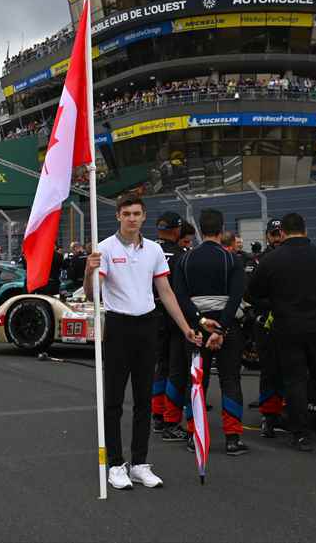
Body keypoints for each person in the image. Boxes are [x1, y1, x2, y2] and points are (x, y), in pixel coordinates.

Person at [84, 193, 202, 491]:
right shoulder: (105, 249)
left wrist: (186, 327)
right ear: (119, 217)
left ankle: (139, 463)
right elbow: (91, 294)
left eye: (137, 213)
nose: (132, 218)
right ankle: (115, 464)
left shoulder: (153, 250)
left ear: (144, 216)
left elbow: (166, 292)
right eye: (127, 214)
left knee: (143, 400)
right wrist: (89, 270)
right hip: (118, 326)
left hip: (148, 326)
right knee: (113, 400)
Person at [248, 213, 316, 451]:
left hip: (287, 327)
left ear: (282, 232)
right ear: (305, 230)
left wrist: (273, 304)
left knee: (295, 380)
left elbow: (252, 293)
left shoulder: (271, 260)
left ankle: (301, 434)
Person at [173, 208, 249, 456]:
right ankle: (232, 438)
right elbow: (237, 296)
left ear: (199, 229)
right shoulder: (232, 259)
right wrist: (222, 328)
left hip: (196, 328)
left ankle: (195, 436)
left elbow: (180, 297)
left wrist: (200, 320)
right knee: (230, 379)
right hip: (228, 328)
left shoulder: (185, 259)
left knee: (196, 382)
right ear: (222, 228)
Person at [246, 219, 286, 435]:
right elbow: (250, 293)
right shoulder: (258, 261)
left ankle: (291, 410)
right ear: (268, 236)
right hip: (266, 320)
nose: (277, 237)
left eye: (280, 232)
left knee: (292, 368)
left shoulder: (293, 256)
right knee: (270, 369)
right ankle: (269, 415)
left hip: (290, 320)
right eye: (274, 233)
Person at [149, 210, 185, 437]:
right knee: (175, 369)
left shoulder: (146, 250)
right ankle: (171, 421)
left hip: (149, 316)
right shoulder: (182, 255)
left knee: (159, 367)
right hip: (174, 316)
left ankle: (156, 415)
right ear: (177, 230)